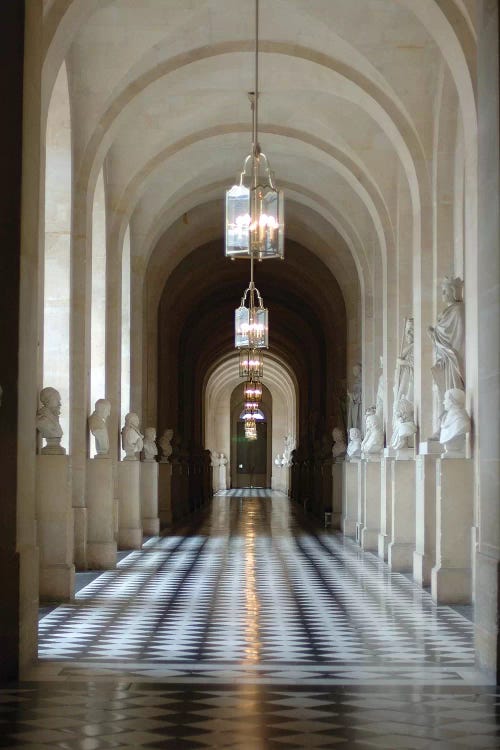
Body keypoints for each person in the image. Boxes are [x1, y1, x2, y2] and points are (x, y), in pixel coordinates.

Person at [428, 277, 465, 417]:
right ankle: (446, 420)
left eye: (445, 291)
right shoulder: (450, 311)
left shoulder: (457, 311)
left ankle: (453, 416)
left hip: (453, 359)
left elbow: (454, 336)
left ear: (453, 292)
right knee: (442, 392)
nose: (442, 294)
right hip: (445, 359)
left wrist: (434, 332)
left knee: (452, 390)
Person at [440, 388, 471, 455]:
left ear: (452, 401)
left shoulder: (461, 420)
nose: (443, 402)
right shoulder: (446, 418)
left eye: (446, 399)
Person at [36, 387, 65, 454]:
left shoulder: (54, 418)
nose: (60, 404)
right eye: (57, 400)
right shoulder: (42, 420)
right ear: (47, 401)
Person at [347, 364, 362, 432]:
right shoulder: (357, 381)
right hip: (354, 406)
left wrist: (352, 396)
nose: (353, 372)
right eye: (353, 370)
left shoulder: (362, 381)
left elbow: (361, 394)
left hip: (358, 406)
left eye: (355, 370)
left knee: (357, 422)